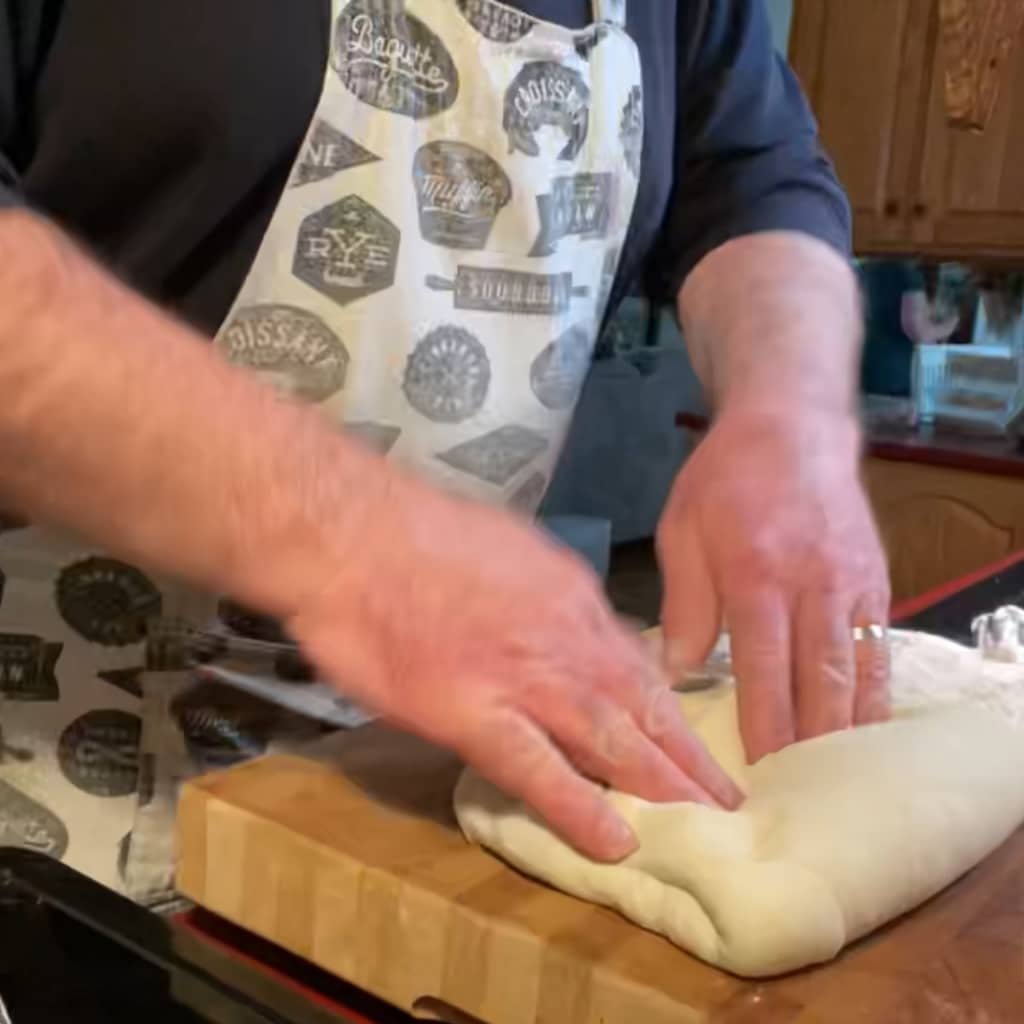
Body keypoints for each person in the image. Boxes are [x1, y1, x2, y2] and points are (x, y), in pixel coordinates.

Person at [0, 0, 889, 872]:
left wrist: (791, 408)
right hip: (53, 777)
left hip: (420, 787)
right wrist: (358, 538)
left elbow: (752, 179)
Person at [859, 260, 961, 397]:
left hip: (868, 366)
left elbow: (887, 310)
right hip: (898, 373)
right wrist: (951, 325)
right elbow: (919, 332)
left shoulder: (868, 267)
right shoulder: (907, 273)